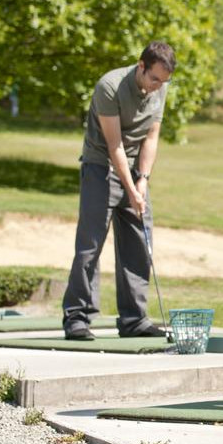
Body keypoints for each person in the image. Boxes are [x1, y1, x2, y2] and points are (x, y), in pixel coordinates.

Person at [63, 42, 176, 341]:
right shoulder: (109, 87)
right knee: (90, 244)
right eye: (154, 79)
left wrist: (143, 181)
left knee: (139, 241)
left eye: (164, 82)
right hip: (101, 166)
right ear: (141, 66)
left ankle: (133, 319)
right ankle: (77, 316)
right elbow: (114, 146)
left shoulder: (160, 87)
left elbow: (151, 137)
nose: (158, 87)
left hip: (135, 169)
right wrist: (130, 186)